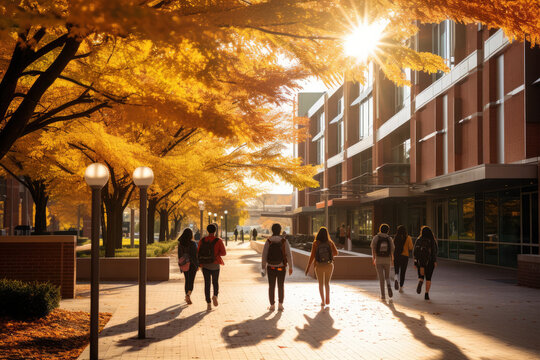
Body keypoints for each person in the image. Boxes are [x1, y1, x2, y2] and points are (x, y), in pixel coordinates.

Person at [261, 223, 293, 311]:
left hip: (271, 267)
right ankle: (280, 304)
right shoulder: (284, 241)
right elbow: (289, 255)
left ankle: (272, 305)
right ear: (280, 230)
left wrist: (263, 267)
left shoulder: (268, 241)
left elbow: (264, 255)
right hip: (281, 267)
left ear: (272, 230)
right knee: (280, 285)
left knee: (271, 286)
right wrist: (290, 267)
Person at [305, 227, 339, 306]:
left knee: (320, 284)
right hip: (329, 265)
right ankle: (327, 298)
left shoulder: (316, 243)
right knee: (327, 283)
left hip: (319, 265)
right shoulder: (330, 242)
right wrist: (329, 255)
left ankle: (323, 301)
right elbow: (336, 253)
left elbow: (312, 256)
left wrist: (308, 267)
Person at [198, 224, 227, 310]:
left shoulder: (202, 240)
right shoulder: (218, 240)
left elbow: (198, 252)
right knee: (215, 282)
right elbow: (224, 253)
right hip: (215, 264)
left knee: (207, 284)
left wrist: (199, 264)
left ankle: (208, 303)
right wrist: (217, 254)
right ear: (215, 231)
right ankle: (215, 295)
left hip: (205, 265)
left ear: (207, 230)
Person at [370, 224, 395, 301]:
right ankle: (389, 285)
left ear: (380, 229)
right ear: (387, 230)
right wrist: (392, 259)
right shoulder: (389, 238)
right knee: (387, 277)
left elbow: (373, 249)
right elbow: (392, 249)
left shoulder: (376, 238)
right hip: (387, 260)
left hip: (378, 259)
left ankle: (383, 295)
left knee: (381, 278)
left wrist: (374, 258)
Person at [413, 226, 438, 300]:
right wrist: (434, 261)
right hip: (430, 261)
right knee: (428, 278)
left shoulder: (419, 239)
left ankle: (420, 281)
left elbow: (415, 251)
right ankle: (426, 294)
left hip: (420, 262)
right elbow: (434, 251)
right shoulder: (432, 240)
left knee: (421, 276)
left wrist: (415, 262)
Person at [178, 228, 199, 304]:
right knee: (191, 281)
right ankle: (188, 294)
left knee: (187, 280)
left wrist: (180, 265)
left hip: (184, 264)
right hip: (192, 264)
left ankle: (186, 295)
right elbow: (195, 255)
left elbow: (179, 255)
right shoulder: (193, 243)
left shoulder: (180, 244)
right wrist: (197, 265)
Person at [393, 225, 414, 293]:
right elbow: (411, 247)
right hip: (405, 257)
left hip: (397, 256)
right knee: (403, 272)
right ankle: (401, 288)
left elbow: (393, 247)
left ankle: (396, 278)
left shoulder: (396, 237)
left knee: (396, 271)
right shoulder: (408, 238)